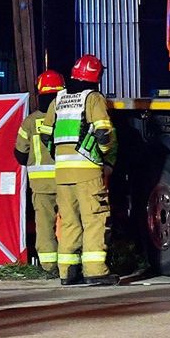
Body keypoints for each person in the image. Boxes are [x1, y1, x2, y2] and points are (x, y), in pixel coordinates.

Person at [50, 53, 119, 286]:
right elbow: (103, 132)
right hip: (88, 170)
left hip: (62, 172)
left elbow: (46, 135)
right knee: (95, 219)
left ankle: (67, 272)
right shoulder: (93, 98)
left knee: (69, 221)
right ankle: (95, 270)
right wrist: (105, 155)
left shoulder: (58, 99)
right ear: (97, 76)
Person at [14, 69, 65, 282]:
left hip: (40, 184)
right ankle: (69, 264)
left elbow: (19, 154)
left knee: (44, 224)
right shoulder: (65, 119)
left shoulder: (30, 122)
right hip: (66, 180)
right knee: (69, 222)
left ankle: (48, 265)